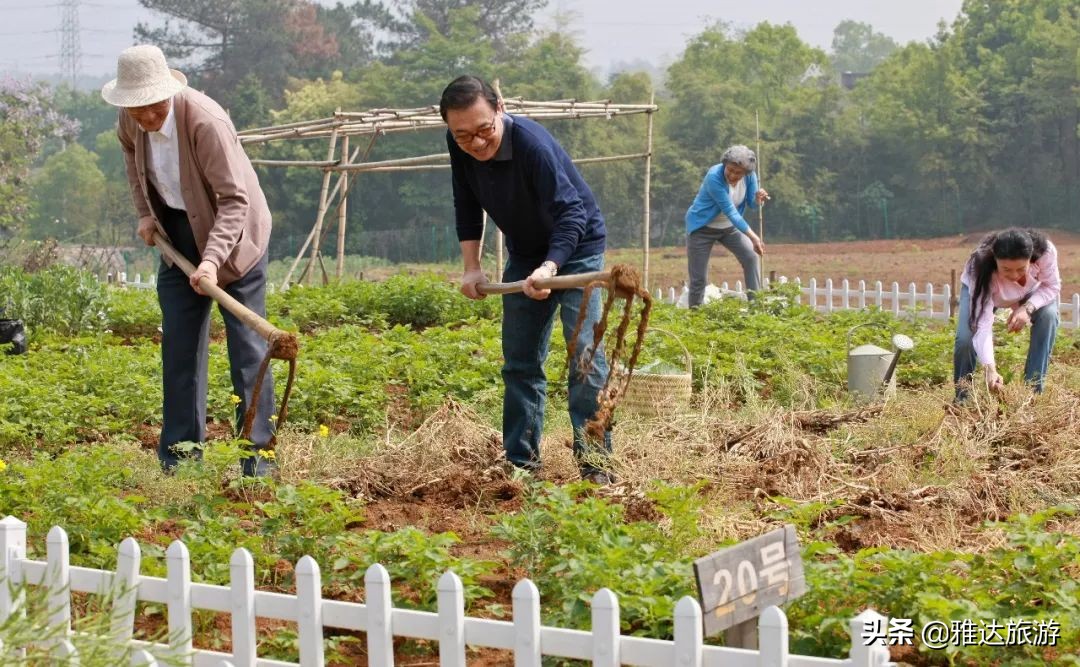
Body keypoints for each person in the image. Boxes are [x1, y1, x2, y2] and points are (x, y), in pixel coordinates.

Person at [102, 44, 275, 475]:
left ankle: (258, 461)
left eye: (152, 105)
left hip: (234, 238)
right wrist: (145, 213)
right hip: (178, 235)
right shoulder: (130, 118)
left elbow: (234, 200)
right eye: (137, 107)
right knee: (179, 347)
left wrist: (213, 261)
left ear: (169, 91)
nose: (145, 116)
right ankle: (180, 458)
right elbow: (131, 160)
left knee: (249, 352)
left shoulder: (204, 121)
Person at [440, 75, 614, 484]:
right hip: (525, 253)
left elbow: (572, 215)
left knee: (585, 354)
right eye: (464, 136)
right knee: (520, 360)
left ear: (500, 108)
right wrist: (472, 266)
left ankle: (597, 467)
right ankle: (522, 465)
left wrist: (550, 269)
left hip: (578, 248)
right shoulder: (459, 141)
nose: (477, 143)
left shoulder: (532, 145)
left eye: (485, 130)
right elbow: (465, 202)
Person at [953, 227, 1060, 401]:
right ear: (995, 260)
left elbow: (1052, 286)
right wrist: (990, 368)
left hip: (1030, 293)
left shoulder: (1045, 251)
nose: (1014, 275)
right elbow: (983, 324)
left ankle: (1032, 392)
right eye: (1006, 269)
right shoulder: (979, 268)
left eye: (1021, 268)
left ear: (1031, 258)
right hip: (984, 290)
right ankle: (963, 399)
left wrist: (1027, 307)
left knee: (1048, 315)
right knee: (965, 338)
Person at [685, 145, 769, 307]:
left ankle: (756, 308)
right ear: (725, 165)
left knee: (751, 257)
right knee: (699, 278)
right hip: (701, 228)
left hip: (729, 228)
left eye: (738, 173)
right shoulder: (714, 177)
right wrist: (753, 237)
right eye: (730, 170)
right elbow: (731, 211)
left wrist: (759, 200)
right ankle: (694, 317)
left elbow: (752, 204)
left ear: (746, 173)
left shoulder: (750, 177)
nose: (732, 175)